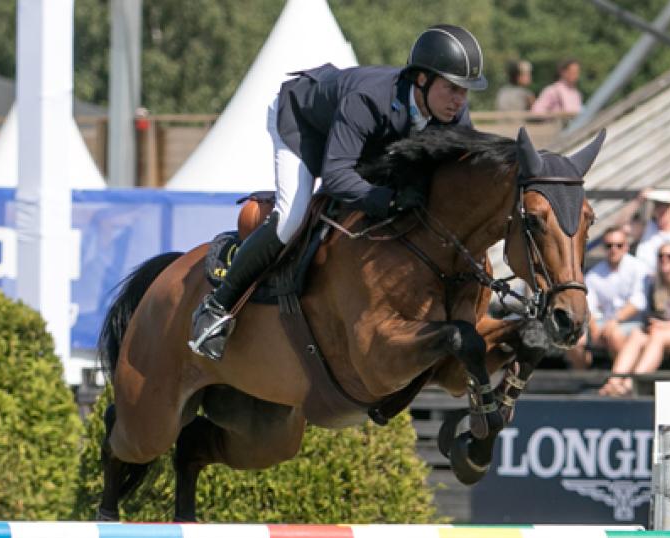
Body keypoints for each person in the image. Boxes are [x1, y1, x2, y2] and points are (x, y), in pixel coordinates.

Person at [188, 25, 489, 360]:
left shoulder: (453, 113)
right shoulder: (368, 99)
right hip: (302, 125)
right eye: (452, 88)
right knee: (291, 218)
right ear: (422, 79)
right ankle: (216, 307)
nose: (459, 100)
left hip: (360, 141)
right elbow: (335, 176)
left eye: (465, 91)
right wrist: (387, 200)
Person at [599, 242, 670, 397]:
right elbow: (650, 315)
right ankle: (614, 381)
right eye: (661, 256)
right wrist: (654, 323)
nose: (664, 259)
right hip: (662, 332)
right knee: (636, 335)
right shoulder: (655, 284)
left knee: (659, 335)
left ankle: (630, 384)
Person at [566, 227, 647, 368]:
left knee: (614, 335)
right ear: (603, 247)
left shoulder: (638, 268)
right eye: (609, 245)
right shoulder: (594, 274)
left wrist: (614, 321)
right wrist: (595, 329)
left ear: (626, 247)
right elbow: (589, 306)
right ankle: (584, 377)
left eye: (619, 245)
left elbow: (638, 302)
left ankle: (622, 377)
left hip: (633, 324)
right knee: (573, 340)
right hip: (603, 323)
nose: (614, 249)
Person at [619, 188, 670, 274]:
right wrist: (638, 201)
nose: (661, 210)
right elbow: (620, 226)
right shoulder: (647, 228)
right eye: (658, 206)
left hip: (669, 278)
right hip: (643, 278)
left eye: (666, 206)